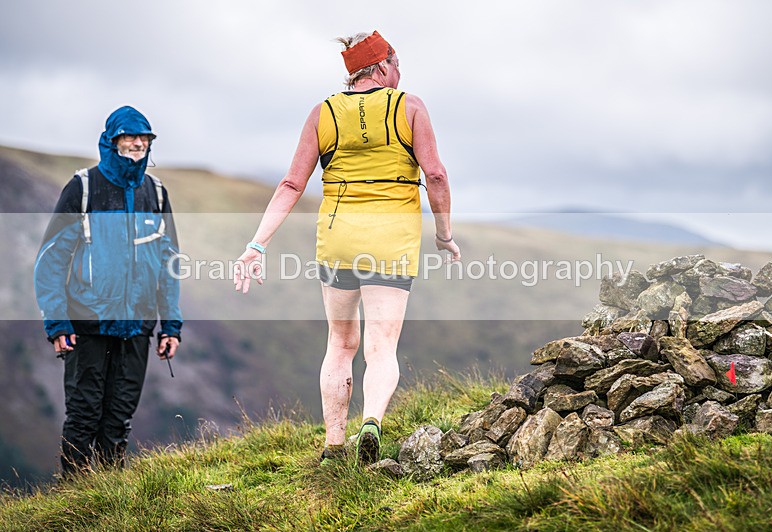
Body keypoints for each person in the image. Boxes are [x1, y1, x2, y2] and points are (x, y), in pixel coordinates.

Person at [234, 31, 460, 464]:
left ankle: (334, 446)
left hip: (337, 241)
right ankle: (371, 423)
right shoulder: (409, 106)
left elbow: (291, 184)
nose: (399, 76)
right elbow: (436, 176)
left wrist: (256, 245)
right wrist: (444, 234)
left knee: (340, 343)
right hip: (390, 240)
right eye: (396, 67)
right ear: (380, 67)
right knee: (382, 346)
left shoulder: (323, 112)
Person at [33, 106, 182, 476]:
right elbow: (50, 262)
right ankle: (72, 503)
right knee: (83, 418)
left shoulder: (157, 193)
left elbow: (169, 264)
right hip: (87, 325)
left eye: (144, 137)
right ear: (112, 141)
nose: (136, 143)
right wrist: (57, 323)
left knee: (118, 420)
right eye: (129, 137)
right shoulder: (83, 188)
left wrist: (171, 326)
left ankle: (106, 500)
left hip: (138, 327)